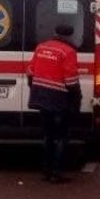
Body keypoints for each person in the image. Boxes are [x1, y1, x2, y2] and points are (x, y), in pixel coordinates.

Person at [27, 23, 83, 183]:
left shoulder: (41, 47)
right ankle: (57, 173)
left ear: (55, 32)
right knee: (61, 137)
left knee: (48, 136)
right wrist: (76, 101)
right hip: (58, 99)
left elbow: (30, 71)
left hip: (41, 97)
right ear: (70, 36)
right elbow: (71, 80)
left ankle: (46, 171)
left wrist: (35, 88)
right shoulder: (68, 52)